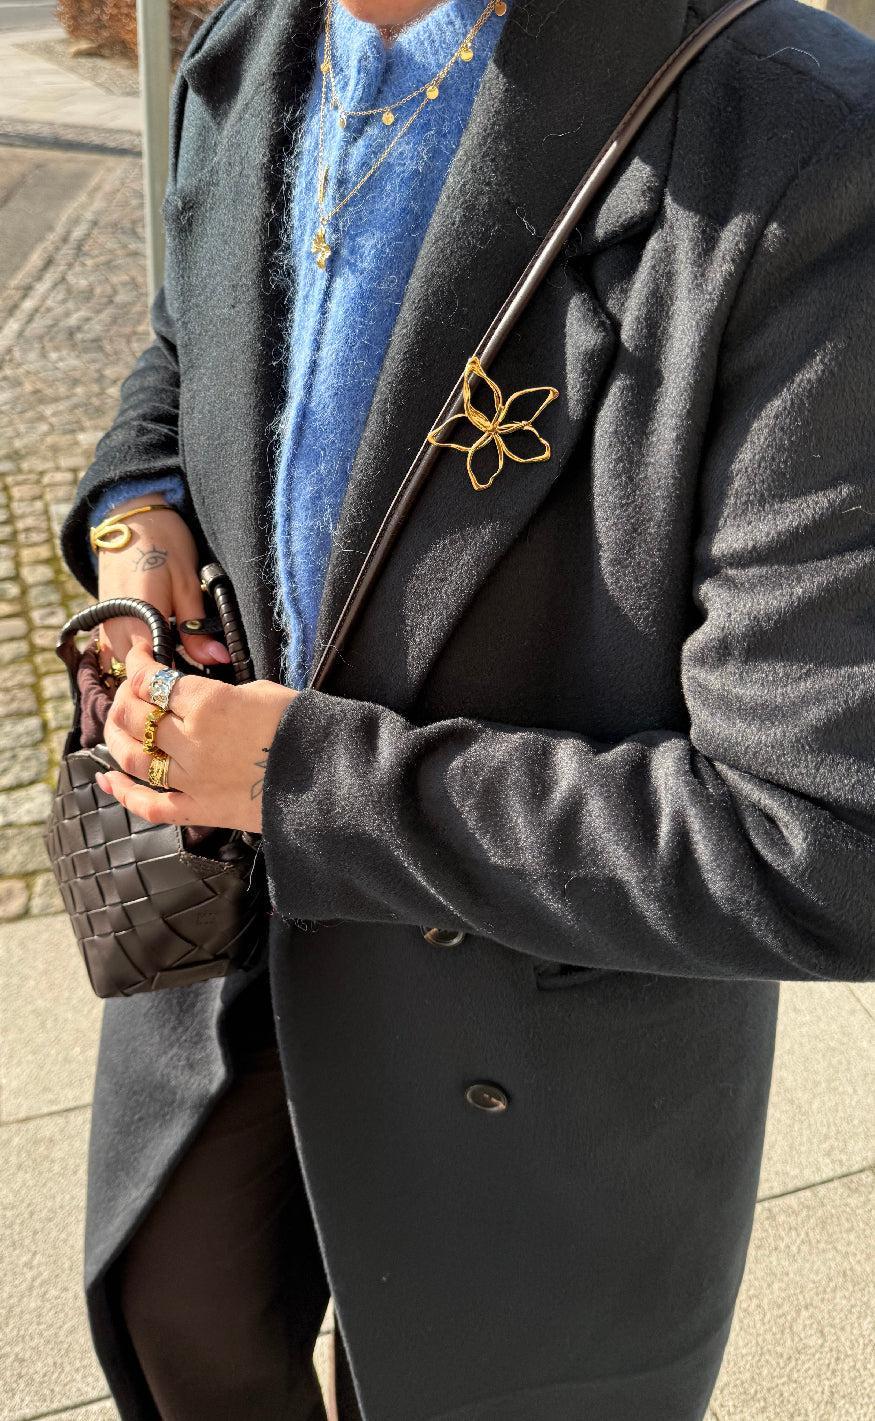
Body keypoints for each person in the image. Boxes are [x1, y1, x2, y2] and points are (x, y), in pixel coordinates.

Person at [59, 0, 875, 1417]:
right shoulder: (249, 46)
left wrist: (304, 784)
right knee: (180, 1307)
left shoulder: (801, 140)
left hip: (535, 1069)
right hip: (220, 958)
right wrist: (138, 503)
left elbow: (822, 838)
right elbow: (187, 340)